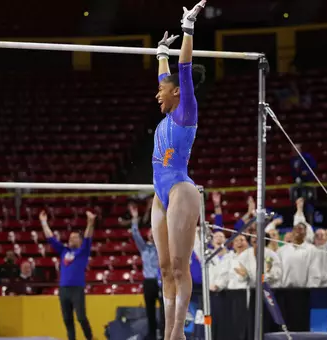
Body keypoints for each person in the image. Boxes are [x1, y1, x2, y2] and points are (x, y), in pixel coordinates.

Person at [151, 1, 207, 339]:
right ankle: (169, 328)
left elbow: (182, 69)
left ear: (176, 93)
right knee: (164, 268)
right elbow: (166, 73)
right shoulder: (168, 109)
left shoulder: (185, 112)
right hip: (159, 193)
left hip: (179, 190)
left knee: (179, 265)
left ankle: (177, 331)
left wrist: (188, 28)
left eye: (162, 89)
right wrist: (160, 51)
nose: (157, 93)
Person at [39, 210, 96, 340]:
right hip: (64, 289)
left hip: (77, 289)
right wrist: (43, 222)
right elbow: (51, 238)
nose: (70, 238)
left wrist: (90, 222)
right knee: (67, 320)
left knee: (81, 317)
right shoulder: (64, 251)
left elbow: (88, 236)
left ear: (80, 241)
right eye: (70, 237)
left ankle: (90, 338)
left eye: (74, 237)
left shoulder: (83, 251)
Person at [129, 203, 163, 340]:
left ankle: (165, 332)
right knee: (150, 310)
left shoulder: (162, 247)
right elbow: (135, 234)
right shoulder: (144, 248)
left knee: (164, 310)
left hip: (161, 281)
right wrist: (135, 219)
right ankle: (152, 335)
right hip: (148, 282)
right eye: (150, 233)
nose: (152, 235)